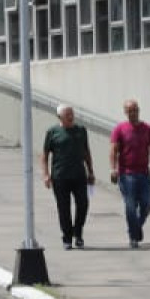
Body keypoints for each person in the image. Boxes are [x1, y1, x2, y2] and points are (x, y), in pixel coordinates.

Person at [41, 103, 96, 249]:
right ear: (60, 117)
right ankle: (67, 237)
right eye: (68, 115)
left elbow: (86, 152)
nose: (71, 117)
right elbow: (45, 155)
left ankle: (78, 233)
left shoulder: (81, 131)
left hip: (79, 175)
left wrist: (90, 171)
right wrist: (46, 174)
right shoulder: (53, 132)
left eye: (72, 114)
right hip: (60, 177)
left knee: (83, 204)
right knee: (64, 208)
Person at [108, 98, 150, 248]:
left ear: (139, 110)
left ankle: (136, 226)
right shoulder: (120, 129)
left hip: (144, 173)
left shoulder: (147, 129)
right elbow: (113, 150)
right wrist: (113, 169)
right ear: (125, 112)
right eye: (130, 110)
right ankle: (134, 236)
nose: (133, 113)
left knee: (148, 203)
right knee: (130, 205)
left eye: (135, 110)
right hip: (127, 174)